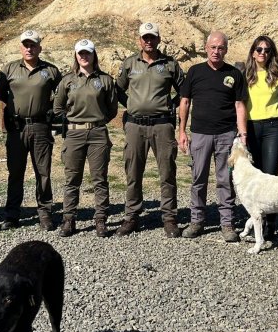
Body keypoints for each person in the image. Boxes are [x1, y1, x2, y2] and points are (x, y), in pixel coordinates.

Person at [115, 22, 184, 238]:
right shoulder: (129, 64)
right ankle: (132, 216)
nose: (148, 41)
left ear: (158, 39)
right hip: (135, 125)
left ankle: (170, 218)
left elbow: (184, 91)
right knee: (133, 172)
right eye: (145, 37)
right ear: (139, 40)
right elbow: (118, 90)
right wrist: (132, 105)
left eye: (152, 37)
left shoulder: (170, 64)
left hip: (162, 125)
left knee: (167, 172)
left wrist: (171, 104)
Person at [177, 31, 247, 242]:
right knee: (198, 179)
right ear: (206, 48)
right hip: (200, 134)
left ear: (226, 50)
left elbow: (239, 105)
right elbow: (185, 102)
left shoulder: (234, 74)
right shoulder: (195, 72)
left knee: (225, 179)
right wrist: (182, 131)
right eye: (213, 47)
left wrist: (242, 134)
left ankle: (227, 224)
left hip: (226, 134)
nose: (216, 51)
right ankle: (197, 221)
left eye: (221, 48)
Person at [0, 30, 62, 231]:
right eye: (25, 45)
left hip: (41, 127)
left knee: (43, 172)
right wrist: (1, 122)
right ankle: (12, 215)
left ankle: (45, 213)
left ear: (39, 47)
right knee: (15, 172)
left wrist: (56, 120)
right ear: (20, 47)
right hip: (16, 129)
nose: (29, 48)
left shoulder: (51, 71)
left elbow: (62, 96)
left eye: (33, 45)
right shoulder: (9, 69)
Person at [53, 39, 117, 238]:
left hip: (98, 134)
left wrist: (97, 120)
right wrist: (73, 120)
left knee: (100, 179)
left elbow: (112, 109)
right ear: (75, 55)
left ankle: (100, 220)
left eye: (87, 53)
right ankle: (69, 219)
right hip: (74, 134)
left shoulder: (105, 80)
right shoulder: (68, 80)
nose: (83, 56)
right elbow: (57, 107)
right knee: (72, 179)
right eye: (80, 53)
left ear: (93, 55)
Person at [244, 35, 278, 239]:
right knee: (256, 175)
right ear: (253, 52)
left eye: (267, 50)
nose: (262, 53)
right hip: (251, 127)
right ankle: (256, 220)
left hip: (273, 127)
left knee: (270, 175)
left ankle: (271, 223)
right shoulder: (245, 74)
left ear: (271, 53)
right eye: (259, 49)